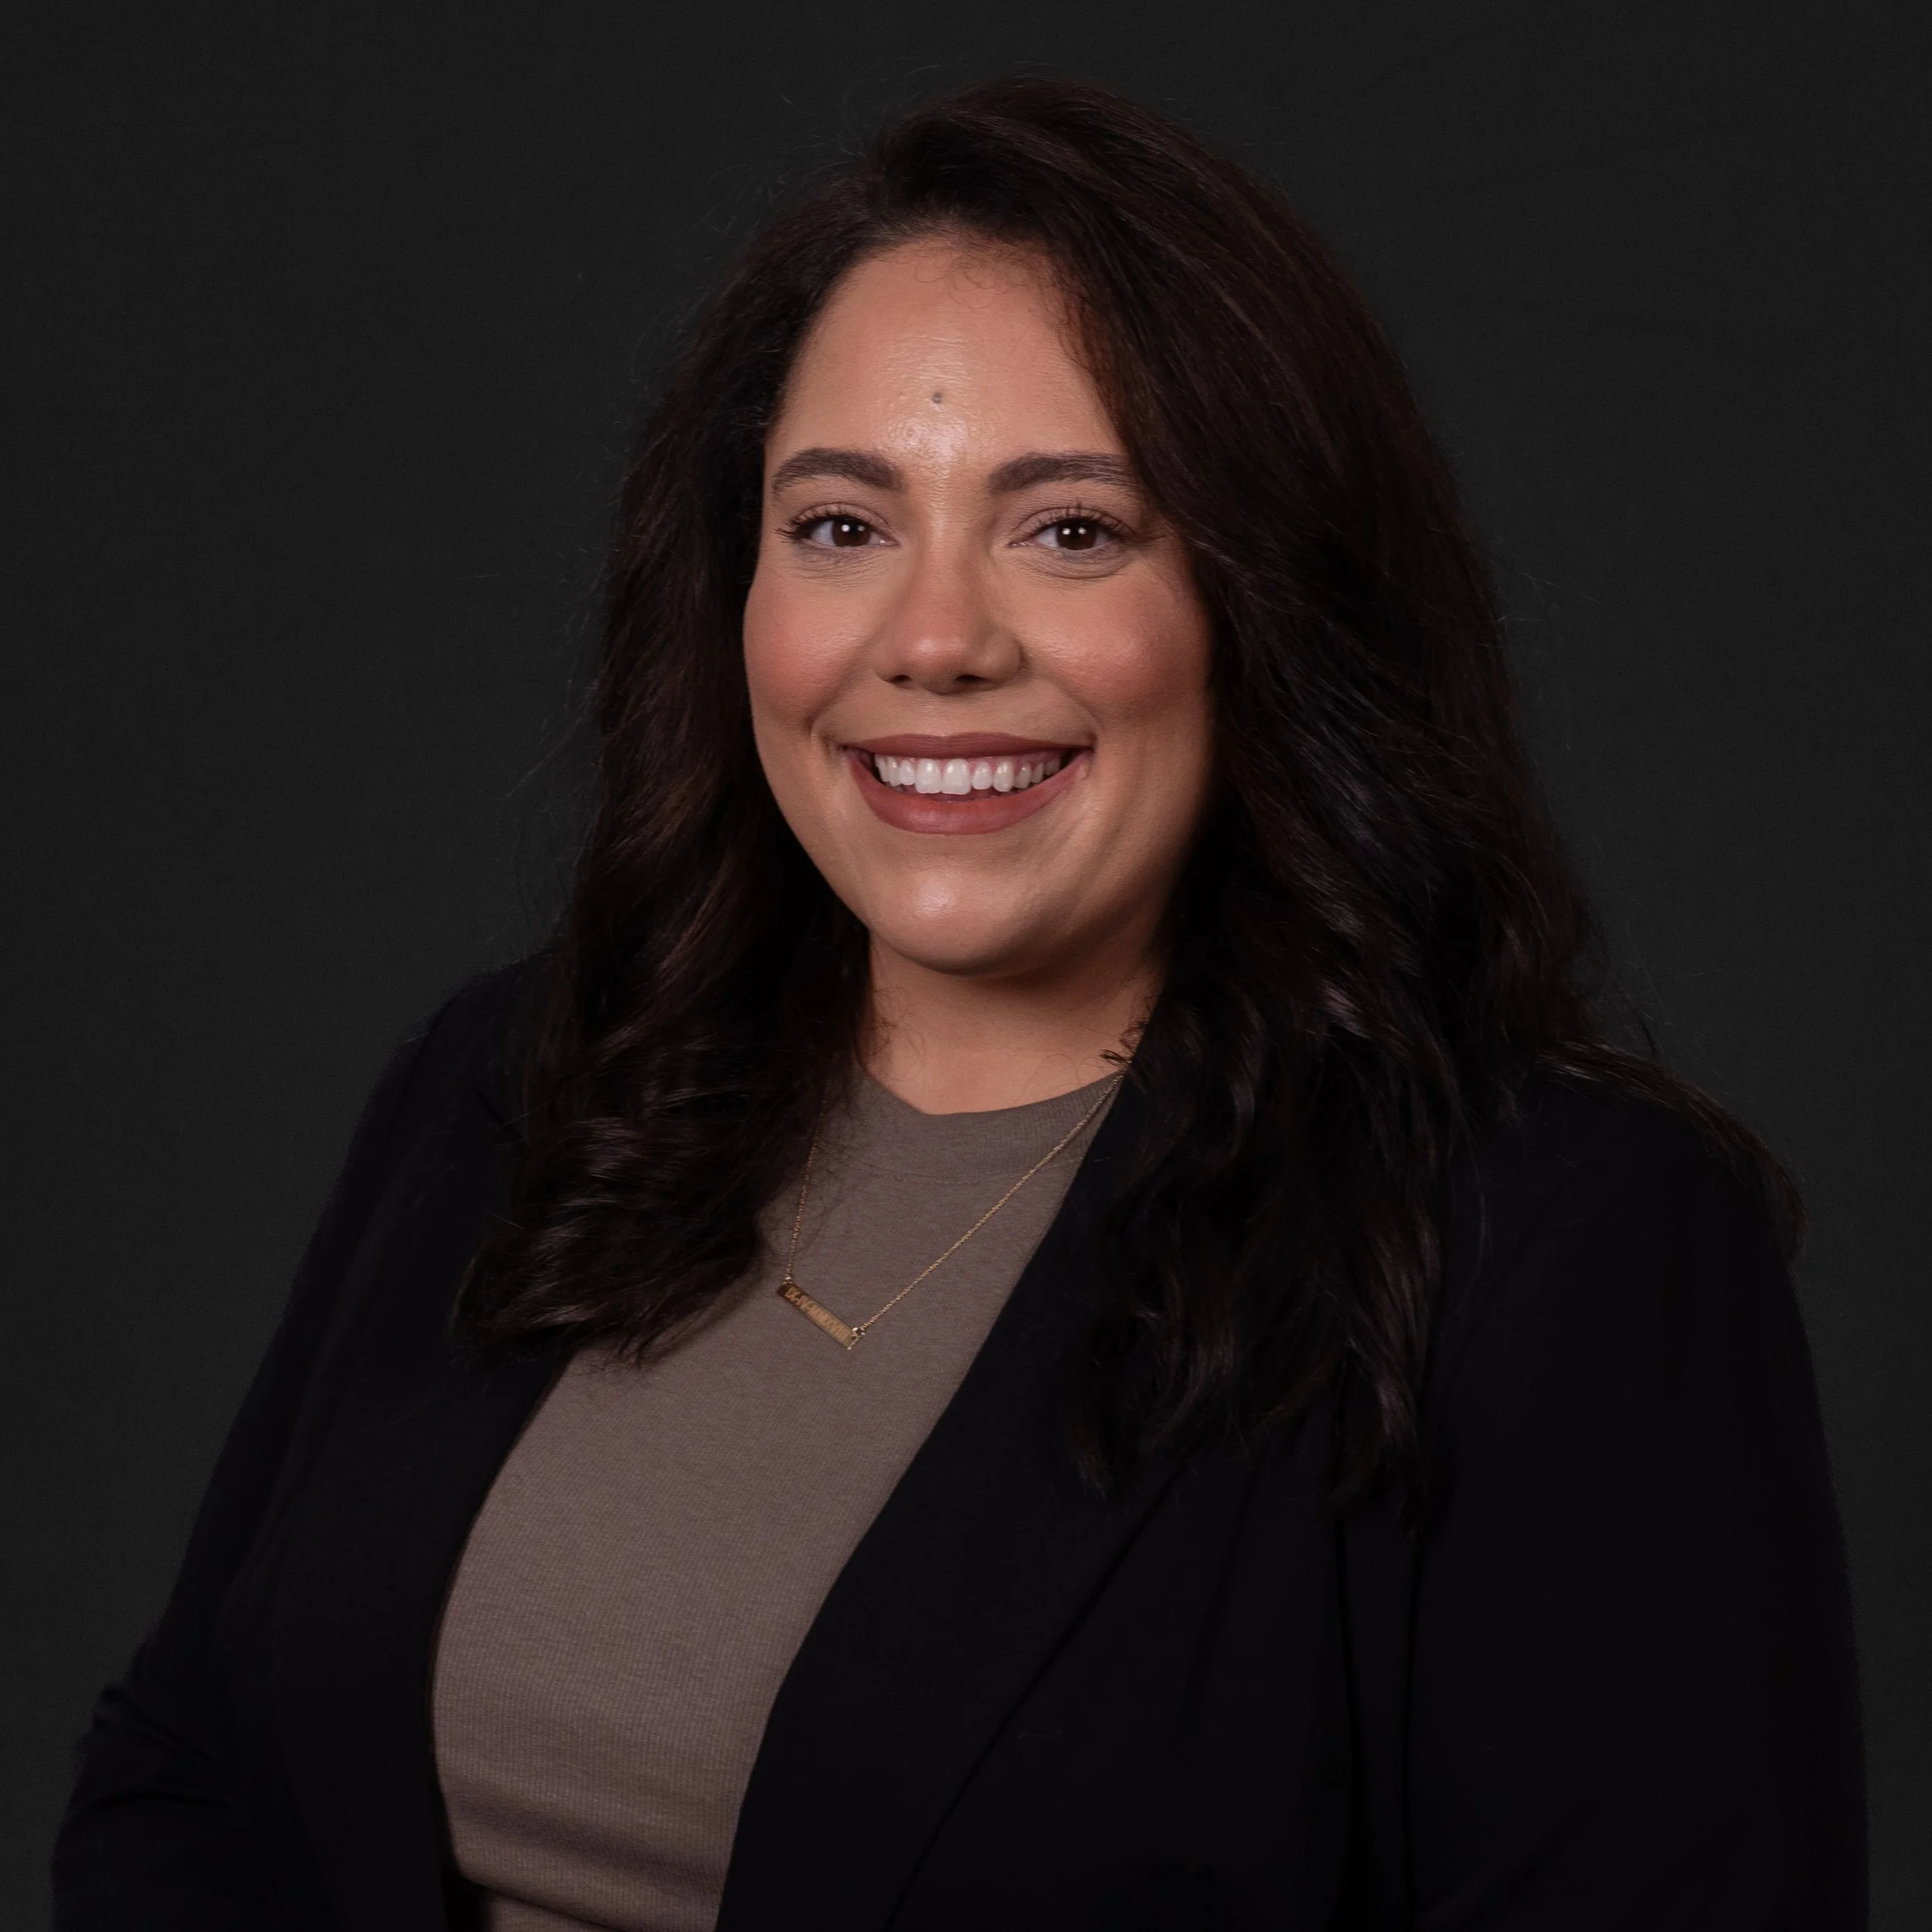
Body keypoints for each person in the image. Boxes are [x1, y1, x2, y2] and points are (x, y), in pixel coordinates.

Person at [53, 77, 1862, 1931]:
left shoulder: (1550, 1241)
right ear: (731, 583)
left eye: (1068, 529)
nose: (931, 638)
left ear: (1267, 601)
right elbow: (182, 1775)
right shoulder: (518, 1084)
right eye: (839, 525)